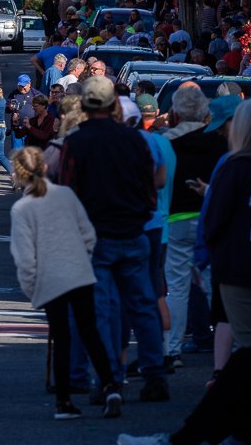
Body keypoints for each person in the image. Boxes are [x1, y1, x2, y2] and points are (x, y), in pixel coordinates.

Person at [116, 101, 251, 445]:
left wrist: (209, 253)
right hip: (185, 228)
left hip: (181, 227)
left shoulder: (229, 162)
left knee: (172, 289)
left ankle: (172, 350)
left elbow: (212, 213)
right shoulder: (208, 151)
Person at [58, 75, 169, 402]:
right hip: (133, 230)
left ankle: (110, 379)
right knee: (143, 306)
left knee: (102, 309)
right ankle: (154, 374)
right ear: (110, 104)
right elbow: (150, 188)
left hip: (96, 235)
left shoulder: (75, 142)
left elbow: (67, 191)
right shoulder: (134, 139)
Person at [9, 146, 122, 421]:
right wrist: (82, 259)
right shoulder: (66, 194)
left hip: (50, 277)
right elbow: (88, 234)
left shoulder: (23, 208)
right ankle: (109, 385)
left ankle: (64, 400)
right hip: (79, 272)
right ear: (45, 168)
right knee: (90, 331)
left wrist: (31, 288)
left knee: (62, 338)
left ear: (19, 173)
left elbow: (25, 258)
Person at [161, 85, 227, 366]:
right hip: (209, 218)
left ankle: (171, 350)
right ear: (204, 113)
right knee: (214, 285)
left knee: (176, 287)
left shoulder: (167, 143)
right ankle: (229, 345)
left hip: (175, 219)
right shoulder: (219, 142)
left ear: (175, 112)